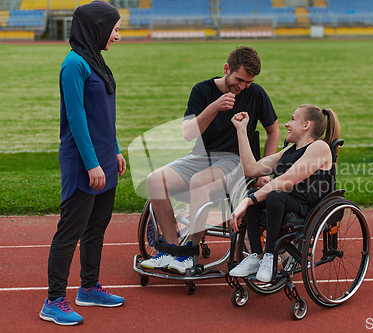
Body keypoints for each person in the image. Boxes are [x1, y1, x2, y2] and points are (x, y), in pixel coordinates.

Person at [141, 46, 280, 274]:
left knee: (199, 182)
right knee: (155, 180)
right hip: (201, 156)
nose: (243, 86)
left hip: (235, 161)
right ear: (226, 69)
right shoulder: (202, 90)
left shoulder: (256, 93)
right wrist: (215, 107)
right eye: (239, 80)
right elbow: (188, 133)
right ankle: (169, 251)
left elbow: (273, 130)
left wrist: (263, 170)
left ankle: (189, 254)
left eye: (248, 82)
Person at [40, 1, 125, 326]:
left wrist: (114, 150)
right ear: (97, 27)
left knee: (96, 228)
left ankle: (89, 288)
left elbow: (103, 116)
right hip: (83, 163)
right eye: (114, 29)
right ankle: (53, 301)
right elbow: (76, 120)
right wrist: (92, 164)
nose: (117, 36)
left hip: (104, 159)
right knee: (70, 231)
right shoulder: (74, 64)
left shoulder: (96, 61)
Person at [228, 104, 341, 283]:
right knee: (255, 194)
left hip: (307, 208)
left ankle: (270, 256)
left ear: (306, 125)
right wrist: (241, 130)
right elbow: (251, 168)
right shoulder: (289, 151)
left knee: (271, 195)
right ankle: (258, 256)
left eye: (293, 119)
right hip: (284, 202)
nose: (287, 124)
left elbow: (287, 180)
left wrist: (247, 202)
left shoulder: (319, 147)